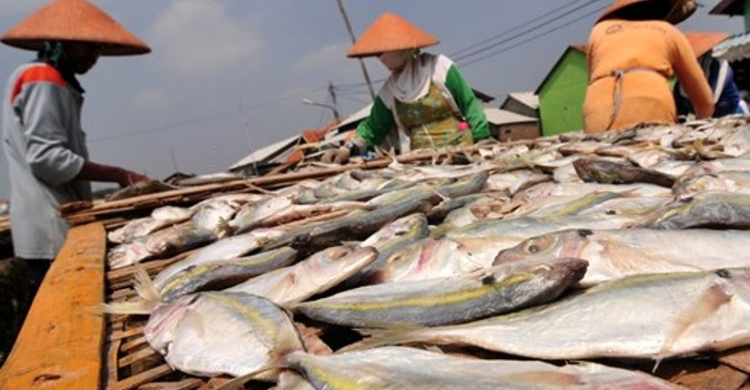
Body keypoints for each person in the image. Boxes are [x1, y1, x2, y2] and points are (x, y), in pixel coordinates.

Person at [1, 0, 152, 292]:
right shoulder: (41, 78)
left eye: (98, 48)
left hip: (54, 221)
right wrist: (120, 175)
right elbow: (48, 160)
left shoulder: (54, 80)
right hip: (49, 224)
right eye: (87, 46)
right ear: (62, 42)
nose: (95, 56)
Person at [322, 13, 489, 164]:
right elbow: (373, 128)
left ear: (405, 50)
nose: (392, 69)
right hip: (422, 159)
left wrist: (482, 139)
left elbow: (469, 104)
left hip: (461, 154)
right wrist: (346, 149)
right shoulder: (390, 90)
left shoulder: (439, 67)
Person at [583, 0, 714, 133]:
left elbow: (592, 80)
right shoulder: (668, 31)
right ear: (665, 11)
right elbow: (705, 101)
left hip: (598, 113)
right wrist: (699, 129)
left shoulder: (599, 31)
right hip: (653, 110)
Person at [674, 32, 749, 118]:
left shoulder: (721, 66)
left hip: (732, 113)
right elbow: (679, 104)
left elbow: (711, 100)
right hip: (706, 116)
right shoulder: (684, 75)